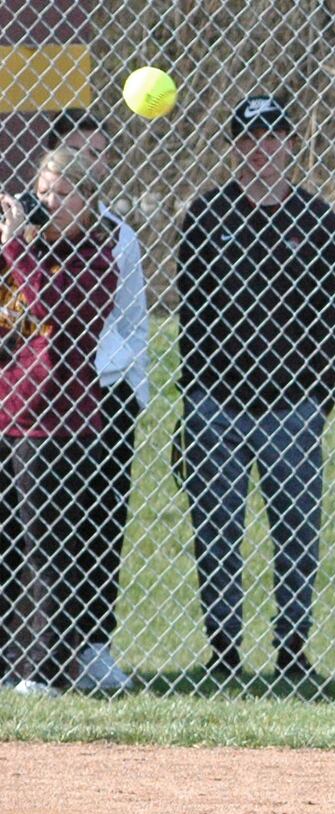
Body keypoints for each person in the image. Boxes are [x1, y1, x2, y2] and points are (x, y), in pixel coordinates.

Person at [175, 95, 335, 682]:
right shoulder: (206, 215)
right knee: (216, 532)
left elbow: (330, 322)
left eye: (275, 136)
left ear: (291, 144)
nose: (263, 149)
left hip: (293, 410)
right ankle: (224, 650)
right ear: (235, 147)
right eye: (250, 139)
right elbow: (191, 320)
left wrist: (318, 401)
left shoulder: (318, 219)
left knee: (298, 533)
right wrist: (194, 400)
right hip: (216, 405)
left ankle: (292, 650)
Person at [1, 147, 119, 697]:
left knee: (51, 548)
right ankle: (10, 662)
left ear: (88, 203)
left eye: (64, 193)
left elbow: (52, 308)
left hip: (62, 424)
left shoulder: (97, 257)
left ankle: (46, 672)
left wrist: (16, 247)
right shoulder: (17, 253)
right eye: (43, 192)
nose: (49, 203)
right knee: (10, 547)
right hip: (10, 413)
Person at [44, 110, 148, 692]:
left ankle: (92, 643)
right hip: (36, 401)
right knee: (40, 529)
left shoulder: (118, 235)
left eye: (100, 152)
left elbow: (134, 323)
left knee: (99, 526)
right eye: (77, 150)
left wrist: (122, 381)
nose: (91, 160)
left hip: (104, 396)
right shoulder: (24, 236)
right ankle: (33, 647)